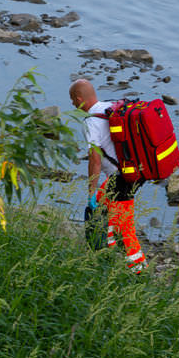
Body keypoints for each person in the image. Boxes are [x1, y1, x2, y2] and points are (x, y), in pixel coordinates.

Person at [69, 79, 147, 274]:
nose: (72, 104)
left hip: (122, 179)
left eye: (72, 100)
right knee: (102, 202)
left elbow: (94, 161)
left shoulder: (90, 123)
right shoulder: (110, 107)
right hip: (136, 171)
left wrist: (90, 191)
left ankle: (140, 273)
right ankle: (107, 251)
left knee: (125, 228)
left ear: (79, 99)